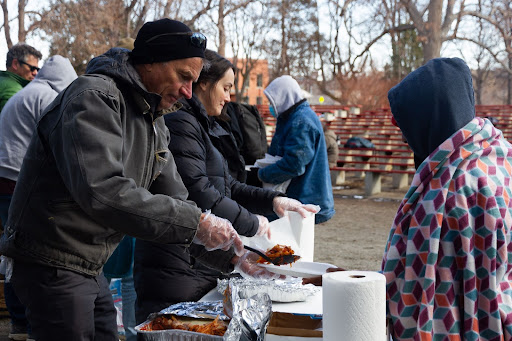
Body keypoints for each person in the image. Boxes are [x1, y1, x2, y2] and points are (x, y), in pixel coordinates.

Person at [0, 19, 267, 341]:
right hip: (52, 258)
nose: (187, 92)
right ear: (151, 61)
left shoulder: (153, 120)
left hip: (87, 260)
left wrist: (231, 255)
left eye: (193, 82)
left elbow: (178, 201)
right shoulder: (93, 97)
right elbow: (102, 192)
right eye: (183, 77)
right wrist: (198, 223)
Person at [134, 49, 319, 323]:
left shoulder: (201, 125)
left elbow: (227, 185)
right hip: (175, 264)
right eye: (226, 87)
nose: (229, 97)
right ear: (204, 83)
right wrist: (252, 223)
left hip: (199, 262)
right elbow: (198, 191)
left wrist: (272, 201)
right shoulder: (182, 123)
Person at [382, 57, 512, 339]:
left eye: (408, 127)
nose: (406, 138)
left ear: (427, 118)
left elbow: (426, 294)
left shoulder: (450, 190)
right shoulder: (499, 155)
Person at [0, 55, 76, 341]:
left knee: (14, 254)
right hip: (19, 181)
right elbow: (61, 143)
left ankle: (20, 324)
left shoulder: (27, 93)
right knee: (35, 254)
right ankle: (32, 326)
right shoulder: (46, 98)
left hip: (5, 179)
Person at [258, 75, 335, 224]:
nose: (270, 106)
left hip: (304, 196)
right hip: (301, 195)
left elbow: (294, 164)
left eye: (272, 101)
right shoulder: (294, 117)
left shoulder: (301, 121)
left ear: (284, 97)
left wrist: (262, 174)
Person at [0, 43, 42, 112]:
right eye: (32, 68)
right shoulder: (13, 90)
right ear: (15, 64)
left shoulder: (3, 80)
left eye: (37, 69)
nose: (35, 73)